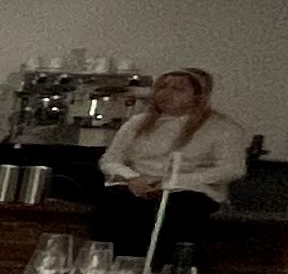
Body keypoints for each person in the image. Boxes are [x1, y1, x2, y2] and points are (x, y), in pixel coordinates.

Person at [91, 66, 248, 258]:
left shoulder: (223, 128)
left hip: (190, 190)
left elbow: (231, 169)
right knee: (114, 203)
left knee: (176, 213)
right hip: (138, 186)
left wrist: (170, 182)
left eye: (178, 89)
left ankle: (162, 270)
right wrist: (133, 178)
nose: (167, 93)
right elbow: (110, 160)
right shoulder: (137, 123)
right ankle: (113, 265)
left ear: (198, 96)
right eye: (163, 87)